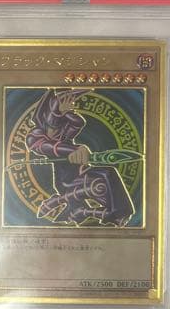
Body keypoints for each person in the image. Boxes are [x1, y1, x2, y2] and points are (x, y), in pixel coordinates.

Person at [26, 89, 134, 226]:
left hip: (81, 172)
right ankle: (80, 209)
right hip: (66, 181)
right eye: (51, 126)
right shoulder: (35, 136)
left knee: (107, 174)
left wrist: (66, 113)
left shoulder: (63, 130)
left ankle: (118, 213)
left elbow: (78, 123)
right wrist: (74, 150)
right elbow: (47, 147)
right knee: (99, 184)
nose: (55, 131)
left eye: (58, 126)